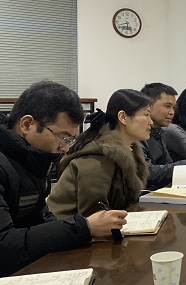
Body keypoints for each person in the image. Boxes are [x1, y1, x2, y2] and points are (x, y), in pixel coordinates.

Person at [0, 81, 126, 276]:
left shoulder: (32, 159)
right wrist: (84, 228)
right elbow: (4, 245)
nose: (66, 148)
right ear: (27, 124)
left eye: (70, 140)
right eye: (63, 137)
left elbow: (40, 217)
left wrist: (82, 230)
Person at [47, 89, 153, 218]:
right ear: (123, 117)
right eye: (146, 115)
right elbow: (92, 215)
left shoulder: (129, 150)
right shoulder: (98, 157)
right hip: (67, 225)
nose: (151, 122)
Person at [139, 83, 186, 190]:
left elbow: (168, 164)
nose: (172, 112)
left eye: (174, 107)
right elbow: (148, 173)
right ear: (148, 106)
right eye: (167, 106)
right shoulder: (137, 135)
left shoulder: (159, 131)